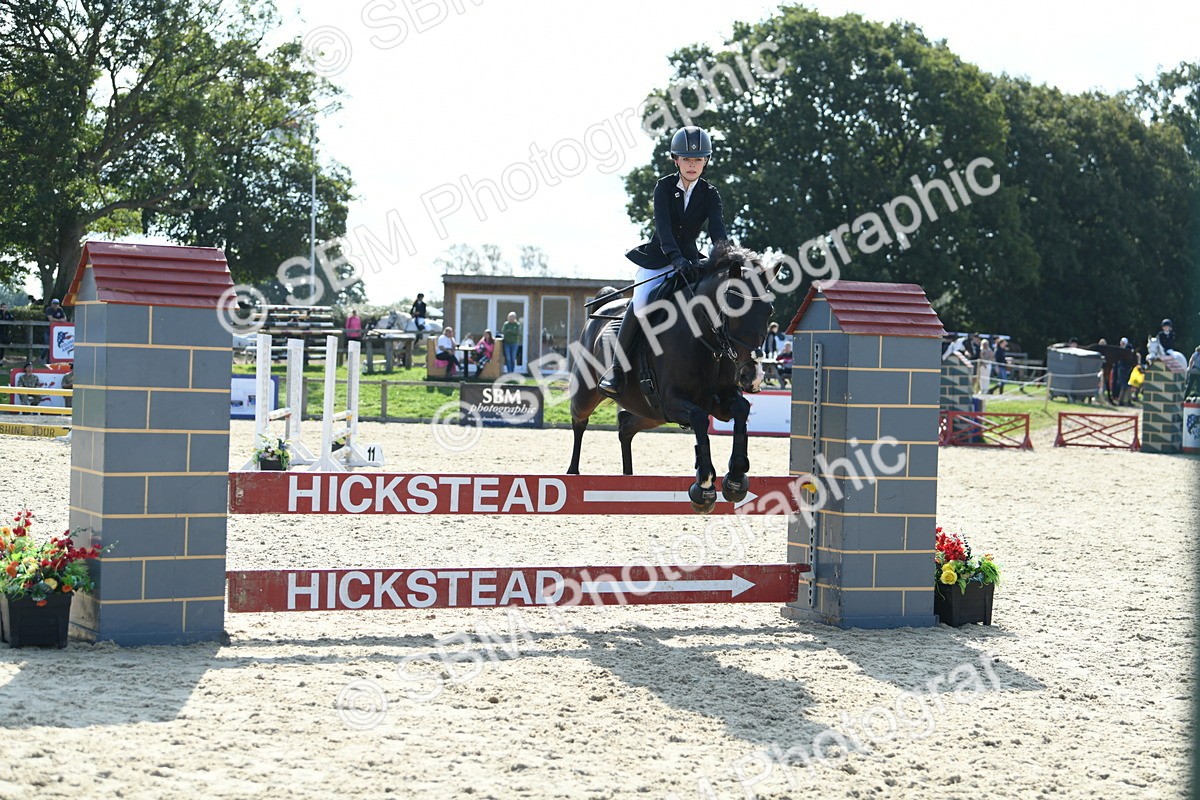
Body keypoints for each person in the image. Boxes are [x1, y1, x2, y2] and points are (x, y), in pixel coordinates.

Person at [600, 125, 728, 396]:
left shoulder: (710, 193)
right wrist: (676, 258)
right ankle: (617, 370)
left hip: (691, 261)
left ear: (706, 161)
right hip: (658, 259)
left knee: (714, 303)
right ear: (675, 159)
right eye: (686, 159)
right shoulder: (663, 187)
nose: (692, 164)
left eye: (698, 159)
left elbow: (718, 231)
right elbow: (665, 228)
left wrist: (724, 258)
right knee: (641, 302)